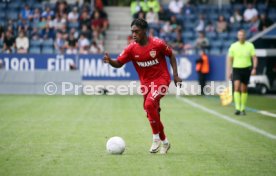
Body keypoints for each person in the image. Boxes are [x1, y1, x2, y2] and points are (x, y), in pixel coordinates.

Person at [103, 19, 182, 154]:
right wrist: (110, 61)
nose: (134, 34)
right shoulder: (131, 49)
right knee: (151, 113)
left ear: (144, 31)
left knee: (150, 104)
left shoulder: (158, 44)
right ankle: (165, 142)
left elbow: (171, 55)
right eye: (132, 31)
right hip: (146, 84)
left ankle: (155, 138)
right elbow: (119, 63)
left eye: (136, 31)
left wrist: (175, 75)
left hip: (162, 79)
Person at [228, 30, 258, 115]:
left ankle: (243, 108)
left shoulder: (250, 45)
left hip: (246, 69)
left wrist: (254, 68)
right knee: (236, 87)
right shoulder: (233, 46)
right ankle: (237, 108)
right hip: (236, 69)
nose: (241, 37)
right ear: (238, 36)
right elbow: (230, 59)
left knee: (244, 89)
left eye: (242, 35)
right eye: (239, 35)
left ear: (245, 36)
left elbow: (254, 57)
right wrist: (230, 71)